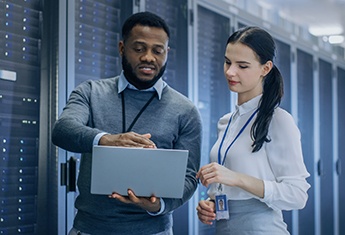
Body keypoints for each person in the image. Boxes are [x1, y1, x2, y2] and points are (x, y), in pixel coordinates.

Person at [52, 11, 202, 235]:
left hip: (154, 231)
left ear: (166, 53)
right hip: (90, 229)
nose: (148, 57)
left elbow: (189, 177)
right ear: (122, 48)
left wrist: (158, 205)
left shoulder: (185, 110)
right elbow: (62, 131)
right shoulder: (91, 92)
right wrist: (106, 139)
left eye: (157, 51)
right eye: (139, 49)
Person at [196, 26, 311, 234]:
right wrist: (211, 204)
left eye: (243, 66)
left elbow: (297, 195)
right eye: (228, 62)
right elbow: (228, 185)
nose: (231, 72)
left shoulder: (278, 120)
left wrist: (237, 178)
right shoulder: (226, 121)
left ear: (265, 69)